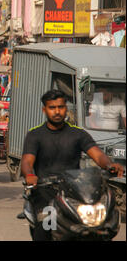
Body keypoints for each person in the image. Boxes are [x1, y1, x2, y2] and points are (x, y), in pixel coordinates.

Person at [21, 89, 124, 241]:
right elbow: (27, 162)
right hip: (45, 191)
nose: (57, 111)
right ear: (44, 110)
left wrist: (109, 165)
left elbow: (98, 155)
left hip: (75, 192)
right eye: (52, 108)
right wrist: (30, 175)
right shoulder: (35, 135)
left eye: (61, 107)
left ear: (66, 109)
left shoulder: (78, 134)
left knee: (101, 223)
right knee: (45, 225)